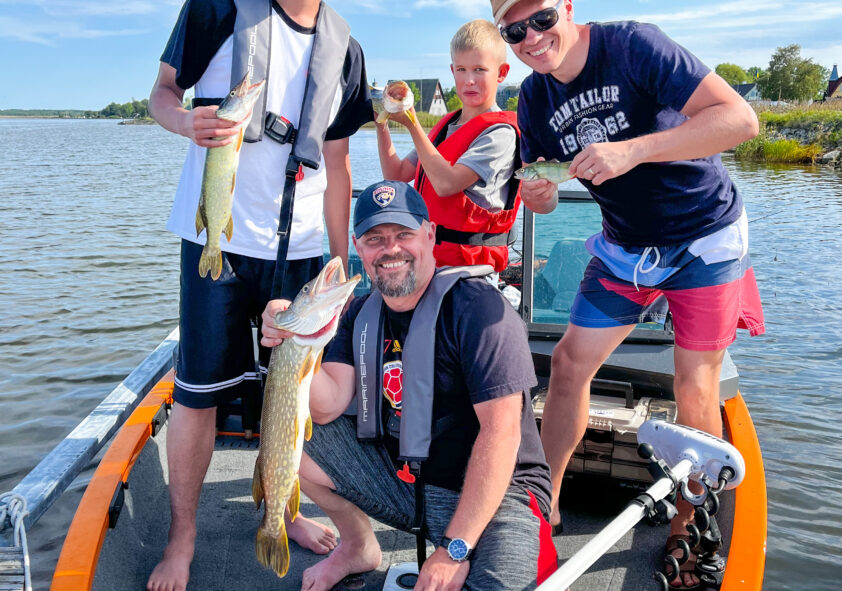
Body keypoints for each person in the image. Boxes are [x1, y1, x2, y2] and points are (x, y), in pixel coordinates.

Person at [490, 0, 765, 588]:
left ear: (567, 7)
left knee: (695, 385)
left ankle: (687, 526)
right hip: (626, 249)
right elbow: (543, 188)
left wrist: (634, 148)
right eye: (513, 30)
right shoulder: (533, 98)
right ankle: (545, 502)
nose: (531, 37)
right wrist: (539, 195)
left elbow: (740, 120)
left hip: (704, 238)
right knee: (569, 363)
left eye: (542, 18)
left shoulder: (634, 46)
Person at [146, 0, 372, 589]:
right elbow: (161, 94)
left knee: (293, 394)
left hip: (300, 252)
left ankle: (285, 511)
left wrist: (341, 260)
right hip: (215, 243)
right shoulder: (217, 9)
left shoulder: (346, 51)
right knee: (197, 395)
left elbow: (339, 165)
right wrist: (184, 122)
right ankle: (182, 536)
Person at [261, 180, 558, 591]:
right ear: (358, 247)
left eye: (403, 234)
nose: (391, 249)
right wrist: (293, 341)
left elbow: (502, 434)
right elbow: (326, 407)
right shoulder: (360, 314)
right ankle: (357, 547)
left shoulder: (478, 310)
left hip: (499, 493)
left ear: (430, 234)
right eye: (375, 239)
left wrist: (455, 548)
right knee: (296, 441)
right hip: (408, 481)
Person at [375, 20, 521, 276]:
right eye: (462, 70)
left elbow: (446, 184)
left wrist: (412, 124)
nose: (469, 80)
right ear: (452, 71)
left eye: (479, 70)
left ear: (501, 73)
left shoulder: (500, 134)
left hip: (471, 270)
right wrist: (381, 121)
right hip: (429, 261)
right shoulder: (444, 128)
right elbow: (395, 174)